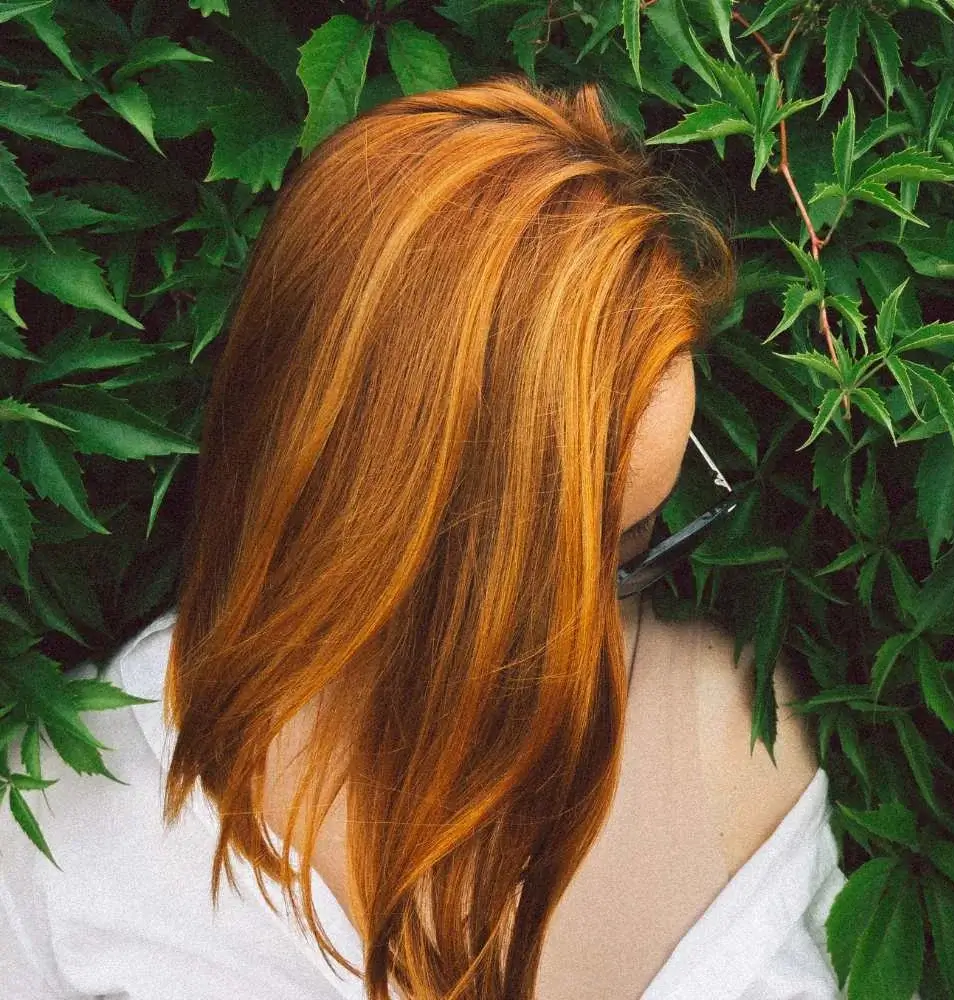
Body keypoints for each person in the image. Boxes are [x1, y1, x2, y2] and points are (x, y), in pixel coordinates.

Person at [0, 73, 850, 1000]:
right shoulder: (66, 816)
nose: (597, 620)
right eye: (558, 562)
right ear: (376, 525)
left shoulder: (743, 724)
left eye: (639, 536)